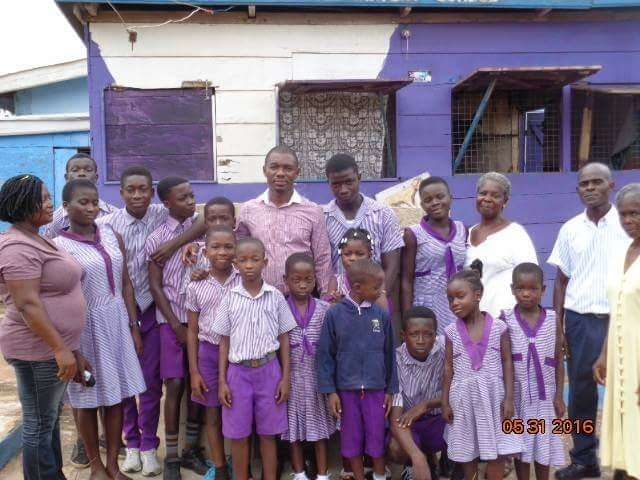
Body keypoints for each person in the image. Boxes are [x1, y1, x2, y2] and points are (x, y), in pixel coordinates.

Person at [99, 166, 206, 476]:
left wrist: (172, 245)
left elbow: (200, 221)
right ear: (120, 193)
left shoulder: (162, 212)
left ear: (152, 191)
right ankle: (130, 444)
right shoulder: (107, 225)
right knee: (123, 381)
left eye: (143, 189)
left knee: (149, 381)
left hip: (153, 310)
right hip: (121, 310)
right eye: (130, 190)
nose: (137, 195)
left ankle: (149, 446)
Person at [54, 179, 146, 480]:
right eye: (83, 202)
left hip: (117, 322)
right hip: (85, 329)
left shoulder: (110, 234)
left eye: (94, 201)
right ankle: (95, 466)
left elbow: (126, 283)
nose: (91, 207)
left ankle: (113, 466)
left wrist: (134, 326)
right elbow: (61, 296)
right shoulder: (59, 246)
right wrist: (72, 346)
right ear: (66, 208)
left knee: (118, 395)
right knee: (86, 395)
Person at [0, 174, 88, 480]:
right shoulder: (16, 246)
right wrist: (60, 348)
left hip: (54, 348)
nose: (50, 203)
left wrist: (72, 348)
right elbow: (27, 304)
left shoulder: (38, 237)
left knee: (47, 420)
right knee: (39, 422)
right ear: (24, 204)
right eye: (44, 197)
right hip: (37, 350)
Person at [548, 162, 630, 480]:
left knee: (621, 390)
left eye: (597, 182)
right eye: (584, 183)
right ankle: (584, 459)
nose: (591, 188)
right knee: (581, 391)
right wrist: (560, 324)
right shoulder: (570, 229)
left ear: (612, 186)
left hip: (619, 318)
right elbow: (560, 281)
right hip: (580, 319)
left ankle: (624, 462)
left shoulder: (628, 225)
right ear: (578, 189)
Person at [213, 237, 296, 480]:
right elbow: (224, 341)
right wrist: (222, 381)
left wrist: (285, 378)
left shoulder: (276, 297)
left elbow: (284, 338)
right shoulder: (230, 298)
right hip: (238, 373)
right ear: (235, 263)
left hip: (269, 371)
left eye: (254, 259)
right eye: (243, 260)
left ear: (265, 262)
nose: (249, 265)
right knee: (238, 436)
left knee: (268, 435)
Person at [146, 176, 208, 479]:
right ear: (167, 203)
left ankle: (190, 451)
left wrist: (178, 243)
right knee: (175, 384)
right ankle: (171, 456)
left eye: (192, 195)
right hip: (170, 321)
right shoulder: (156, 237)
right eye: (183, 198)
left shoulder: (204, 230)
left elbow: (209, 220)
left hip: (204, 322)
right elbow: (155, 287)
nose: (191, 201)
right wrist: (176, 326)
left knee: (199, 386)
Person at [316, 259, 398, 480]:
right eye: (376, 286)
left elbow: (390, 353)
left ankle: (380, 477)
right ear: (358, 286)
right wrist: (331, 391)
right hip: (347, 392)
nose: (381, 290)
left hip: (376, 390)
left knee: (377, 436)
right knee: (351, 439)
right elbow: (325, 355)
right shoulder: (335, 315)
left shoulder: (381, 315)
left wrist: (390, 390)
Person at [442, 270, 521, 480]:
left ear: (478, 295)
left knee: (496, 450)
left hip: (493, 398)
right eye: (450, 299)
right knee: (467, 451)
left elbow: (507, 361)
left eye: (460, 296)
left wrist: (509, 398)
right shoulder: (450, 332)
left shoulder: (499, 328)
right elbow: (448, 368)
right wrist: (444, 402)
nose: (454, 303)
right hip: (462, 400)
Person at [236, 145, 333, 294]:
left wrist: (326, 297)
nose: (280, 173)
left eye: (287, 168)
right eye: (274, 167)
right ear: (264, 170)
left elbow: (322, 258)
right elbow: (235, 250)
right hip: (259, 299)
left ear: (297, 172)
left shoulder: (313, 211)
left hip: (300, 300)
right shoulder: (248, 210)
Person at [593, 183, 640, 480]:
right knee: (623, 427)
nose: (628, 221)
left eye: (635, 213)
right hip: (619, 357)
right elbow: (617, 310)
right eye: (623, 215)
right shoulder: (624, 251)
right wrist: (603, 354)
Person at [501, 263, 566, 480]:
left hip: (545, 397)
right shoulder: (506, 319)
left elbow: (558, 358)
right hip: (518, 396)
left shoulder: (552, 319)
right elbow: (504, 360)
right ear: (512, 289)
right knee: (523, 447)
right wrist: (507, 399)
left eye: (533, 289)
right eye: (521, 288)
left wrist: (558, 395)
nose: (526, 294)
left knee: (544, 444)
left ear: (543, 290)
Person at [185, 225, 240, 480]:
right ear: (205, 251)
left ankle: (241, 465)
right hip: (208, 353)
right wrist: (194, 371)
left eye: (228, 246)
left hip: (240, 354)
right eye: (216, 247)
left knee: (241, 411)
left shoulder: (245, 279)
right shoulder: (196, 284)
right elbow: (192, 330)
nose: (222, 252)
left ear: (236, 249)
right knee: (213, 414)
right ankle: (219, 469)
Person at [324, 154, 404, 309]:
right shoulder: (323, 217)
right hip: (340, 305)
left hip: (375, 303)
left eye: (349, 182)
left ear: (359, 177)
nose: (343, 190)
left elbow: (392, 264)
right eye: (336, 184)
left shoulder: (383, 214)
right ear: (329, 183)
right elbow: (323, 266)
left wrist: (375, 297)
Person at [281, 253, 335, 480]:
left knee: (319, 429)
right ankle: (299, 472)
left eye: (308, 279)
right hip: (291, 378)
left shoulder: (325, 309)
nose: (303, 284)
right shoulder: (280, 307)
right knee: (293, 430)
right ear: (286, 280)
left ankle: (322, 474)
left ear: (315, 280)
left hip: (316, 378)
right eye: (296, 280)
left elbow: (332, 345)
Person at [465, 172, 537, 318]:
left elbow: (531, 278)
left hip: (505, 321)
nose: (487, 199)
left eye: (495, 195)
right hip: (473, 323)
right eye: (483, 193)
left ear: (505, 201)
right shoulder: (466, 234)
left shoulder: (515, 233)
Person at [402, 177, 467, 334]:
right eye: (428, 199)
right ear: (422, 205)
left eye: (440, 196)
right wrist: (408, 318)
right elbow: (406, 280)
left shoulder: (462, 229)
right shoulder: (413, 234)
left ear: (450, 198)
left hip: (458, 304)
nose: (435, 202)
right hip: (427, 306)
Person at [388, 306, 446, 480]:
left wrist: (426, 405)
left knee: (463, 423)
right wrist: (416, 457)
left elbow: (458, 394)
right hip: (408, 424)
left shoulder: (444, 353)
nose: (421, 340)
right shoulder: (396, 361)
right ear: (403, 336)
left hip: (437, 421)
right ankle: (416, 463)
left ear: (436, 335)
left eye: (428, 334)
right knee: (395, 447)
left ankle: (451, 463)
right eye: (414, 334)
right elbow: (396, 419)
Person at [43, 153, 117, 239]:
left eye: (88, 170)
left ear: (96, 177)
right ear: (66, 178)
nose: (81, 174)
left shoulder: (113, 215)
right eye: (75, 170)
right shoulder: (55, 220)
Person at [181, 196, 237, 290]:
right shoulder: (195, 254)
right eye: (212, 219)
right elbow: (186, 290)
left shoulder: (243, 251)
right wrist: (194, 278)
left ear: (234, 222)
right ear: (206, 223)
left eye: (224, 218)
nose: (218, 223)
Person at [330, 227, 389, 311]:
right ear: (341, 255)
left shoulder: (376, 281)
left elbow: (383, 312)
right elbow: (328, 311)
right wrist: (337, 304)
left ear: (369, 256)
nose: (353, 258)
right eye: (347, 254)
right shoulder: (336, 282)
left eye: (360, 254)